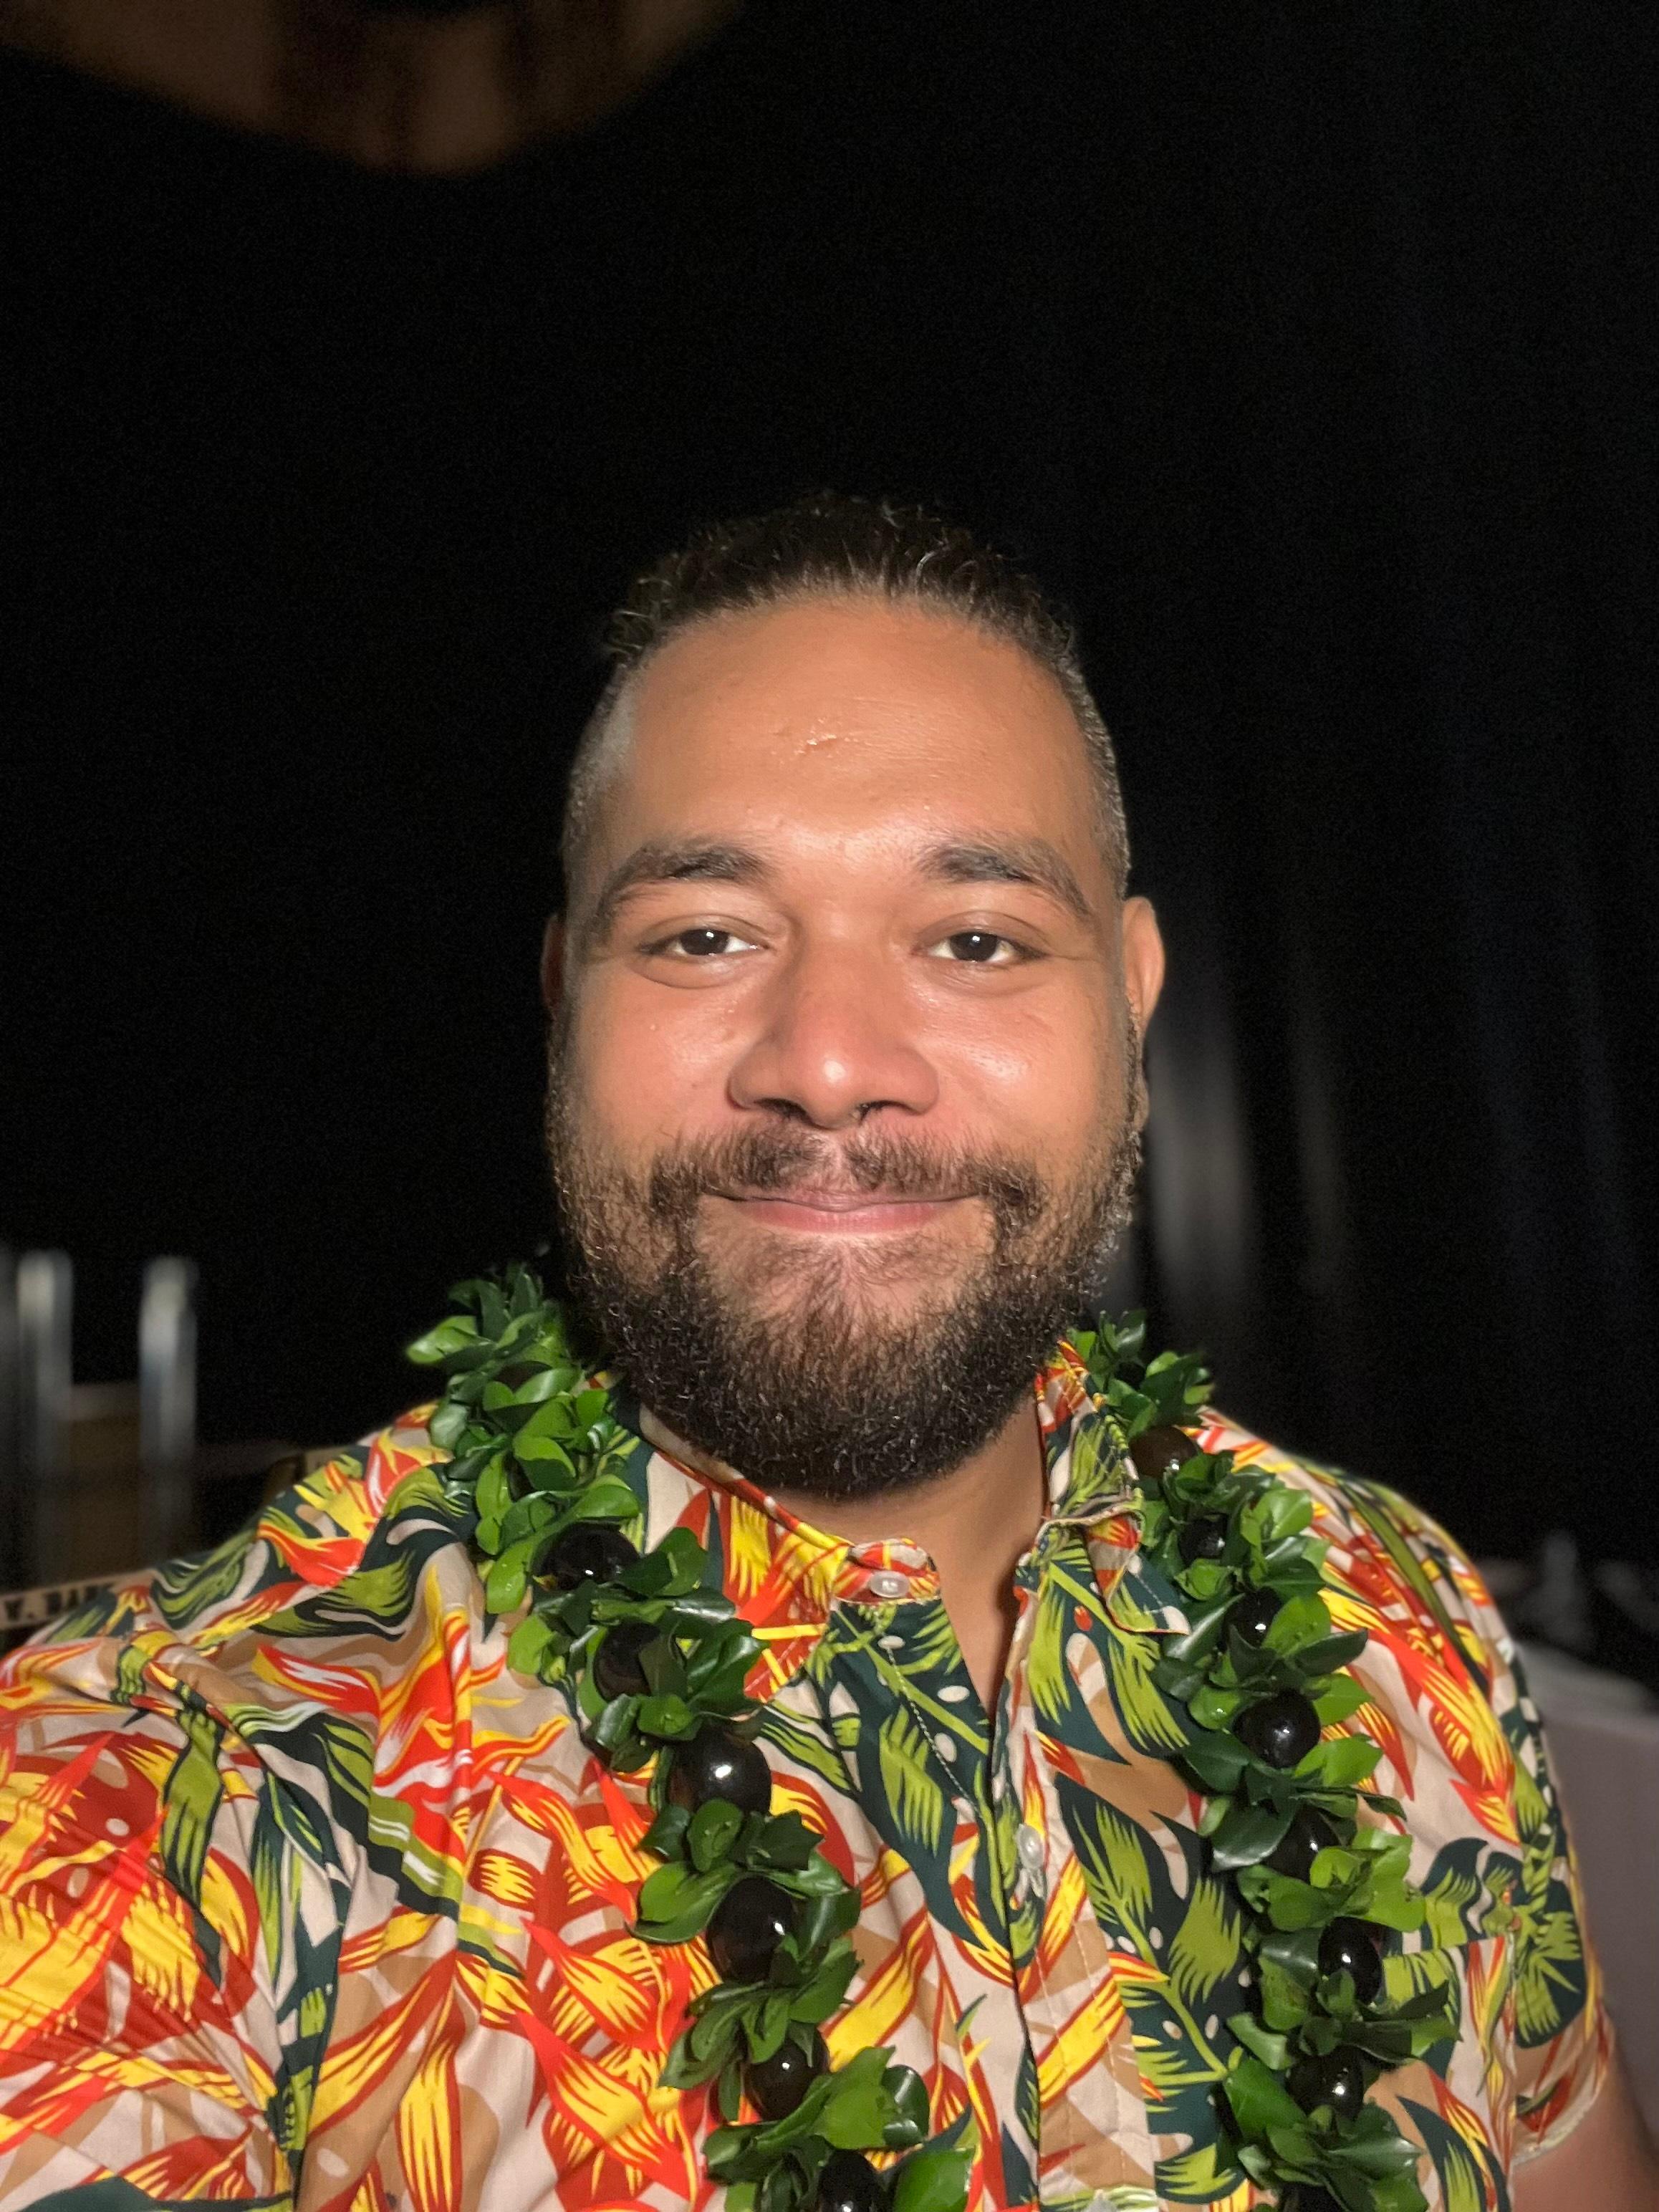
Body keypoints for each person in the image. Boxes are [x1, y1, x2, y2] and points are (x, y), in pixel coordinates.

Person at [0, 494, 1650, 2212]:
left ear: (1134, 1002)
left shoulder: (1395, 1606)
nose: (834, 1062)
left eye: (978, 939)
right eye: (707, 935)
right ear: (568, 997)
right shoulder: (148, 1782)